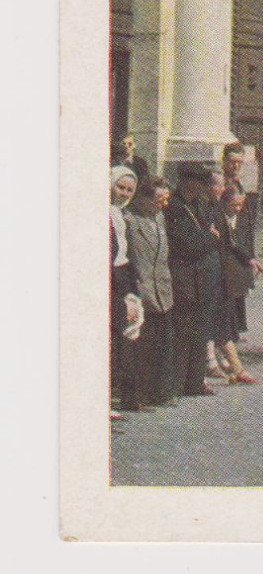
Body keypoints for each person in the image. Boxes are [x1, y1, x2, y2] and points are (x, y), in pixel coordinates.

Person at [164, 163, 224, 397]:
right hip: (185, 281)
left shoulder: (202, 205)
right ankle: (178, 384)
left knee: (200, 332)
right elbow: (186, 246)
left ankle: (195, 381)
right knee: (183, 333)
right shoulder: (175, 208)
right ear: (189, 182)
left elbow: (213, 234)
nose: (204, 189)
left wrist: (208, 238)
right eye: (201, 184)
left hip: (204, 281)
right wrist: (209, 239)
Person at [122, 176, 175, 409]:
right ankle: (136, 396)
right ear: (144, 198)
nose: (163, 205)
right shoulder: (130, 220)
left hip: (162, 290)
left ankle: (160, 392)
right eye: (159, 200)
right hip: (140, 290)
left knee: (161, 345)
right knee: (140, 348)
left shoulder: (160, 218)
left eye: (166, 200)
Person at [214, 189, 263, 383]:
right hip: (217, 276)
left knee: (223, 322)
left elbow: (243, 243)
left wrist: (250, 260)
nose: (238, 209)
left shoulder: (240, 219)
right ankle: (229, 366)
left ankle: (233, 367)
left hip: (231, 277)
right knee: (220, 322)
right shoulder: (216, 218)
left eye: (240, 205)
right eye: (234, 205)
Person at [109, 166, 143, 416]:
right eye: (120, 187)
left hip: (123, 274)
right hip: (110, 276)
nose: (124, 193)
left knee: (125, 335)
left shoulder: (122, 213)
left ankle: (121, 396)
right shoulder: (104, 212)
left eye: (129, 190)